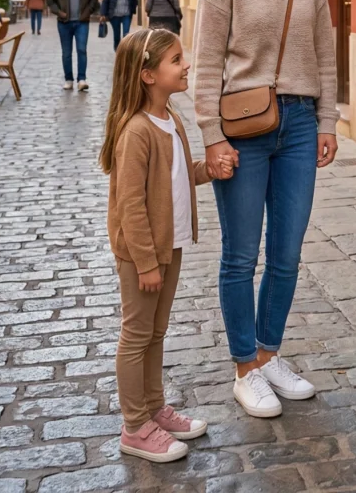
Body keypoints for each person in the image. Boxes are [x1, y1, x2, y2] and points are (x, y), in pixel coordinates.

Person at [194, 0, 338, 419]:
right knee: (240, 255)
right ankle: (244, 369)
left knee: (287, 251)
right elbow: (207, 62)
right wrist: (211, 137)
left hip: (299, 123)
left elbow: (325, 53)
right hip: (243, 127)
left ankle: (268, 353)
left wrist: (327, 121)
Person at [101, 27, 233, 463]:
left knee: (156, 332)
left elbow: (174, 176)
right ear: (148, 75)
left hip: (169, 246)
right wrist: (145, 262)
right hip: (143, 254)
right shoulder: (137, 131)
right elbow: (131, 205)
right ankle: (134, 425)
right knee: (136, 334)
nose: (186, 64)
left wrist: (208, 169)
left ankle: (154, 408)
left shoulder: (171, 117)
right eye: (176, 60)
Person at [46, 0, 100, 92]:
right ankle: (68, 79)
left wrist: (87, 12)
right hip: (64, 23)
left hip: (82, 22)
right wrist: (59, 12)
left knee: (82, 50)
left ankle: (82, 79)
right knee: (66, 52)